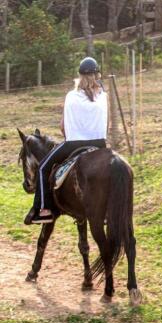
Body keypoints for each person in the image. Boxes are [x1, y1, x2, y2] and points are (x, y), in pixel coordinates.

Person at [26, 57, 108, 224]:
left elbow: (62, 126)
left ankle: (43, 210)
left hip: (74, 144)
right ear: (97, 75)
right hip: (100, 144)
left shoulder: (71, 96)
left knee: (43, 168)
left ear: (80, 76)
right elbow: (109, 123)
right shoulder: (103, 96)